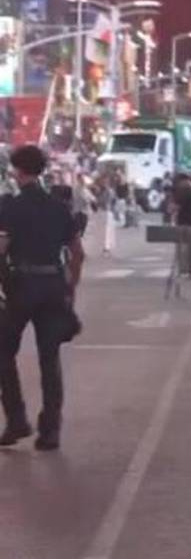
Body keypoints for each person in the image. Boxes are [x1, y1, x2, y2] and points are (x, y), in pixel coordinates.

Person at [0, 146, 85, 450]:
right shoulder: (59, 207)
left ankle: (17, 419)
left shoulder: (10, 206)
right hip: (52, 286)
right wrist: (70, 289)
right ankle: (50, 430)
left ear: (17, 171)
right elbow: (77, 253)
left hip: (22, 287)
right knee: (50, 359)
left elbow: (1, 248)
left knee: (3, 352)